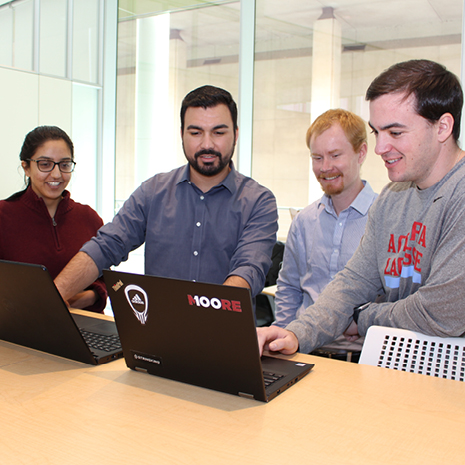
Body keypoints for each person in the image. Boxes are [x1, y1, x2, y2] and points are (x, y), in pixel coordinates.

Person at [257, 59, 465, 356]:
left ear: (443, 127)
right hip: (395, 369)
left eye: (395, 133)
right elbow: (354, 281)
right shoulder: (393, 198)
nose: (380, 148)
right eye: (377, 132)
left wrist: (363, 317)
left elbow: (441, 312)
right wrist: (296, 333)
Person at [54, 85, 278, 305]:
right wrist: (50, 299)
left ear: (235, 134)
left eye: (218, 132)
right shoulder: (152, 192)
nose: (207, 144)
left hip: (223, 334)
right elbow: (106, 246)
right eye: (195, 132)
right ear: (182, 134)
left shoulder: (259, 202)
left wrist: (209, 316)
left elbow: (249, 268)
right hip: (156, 334)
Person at [274, 109, 377, 352]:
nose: (325, 167)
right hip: (308, 352)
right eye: (317, 157)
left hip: (364, 358)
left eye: (335, 155)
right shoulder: (304, 221)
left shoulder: (385, 219)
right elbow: (289, 287)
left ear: (361, 153)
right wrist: (284, 338)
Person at [0, 126, 107, 313]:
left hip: (85, 330)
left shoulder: (89, 218)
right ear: (26, 167)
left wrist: (71, 300)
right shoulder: (3, 216)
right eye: (45, 164)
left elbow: (108, 284)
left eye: (64, 164)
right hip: (21, 332)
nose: (57, 174)